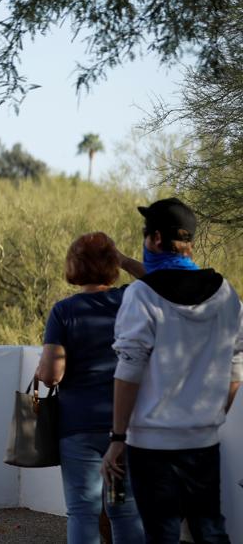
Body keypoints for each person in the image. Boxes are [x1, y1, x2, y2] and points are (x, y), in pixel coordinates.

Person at [103, 198, 243, 544]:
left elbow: (129, 370)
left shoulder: (141, 296)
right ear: (190, 242)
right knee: (209, 529)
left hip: (152, 444)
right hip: (203, 439)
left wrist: (118, 438)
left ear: (154, 240)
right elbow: (236, 369)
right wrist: (211, 417)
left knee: (161, 533)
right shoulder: (226, 294)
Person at [35, 232, 145, 544]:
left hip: (79, 428)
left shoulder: (64, 311)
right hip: (124, 425)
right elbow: (161, 282)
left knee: (82, 511)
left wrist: (45, 370)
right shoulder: (130, 300)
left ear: (74, 265)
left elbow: (52, 375)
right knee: (124, 510)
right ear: (112, 265)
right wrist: (122, 260)